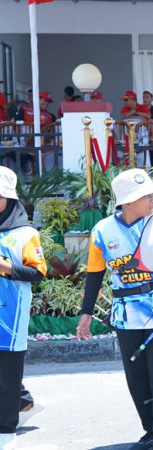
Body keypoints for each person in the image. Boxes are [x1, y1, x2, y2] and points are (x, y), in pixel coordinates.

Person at [76, 169, 153, 450]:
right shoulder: (103, 231)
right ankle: (149, 430)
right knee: (136, 376)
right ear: (127, 202)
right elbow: (94, 275)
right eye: (145, 196)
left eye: (152, 194)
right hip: (126, 315)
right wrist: (86, 314)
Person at [0, 167, 47, 450]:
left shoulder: (25, 234)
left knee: (6, 372)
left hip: (9, 314)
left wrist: (5, 267)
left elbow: (38, 273)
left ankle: (6, 429)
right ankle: (25, 401)